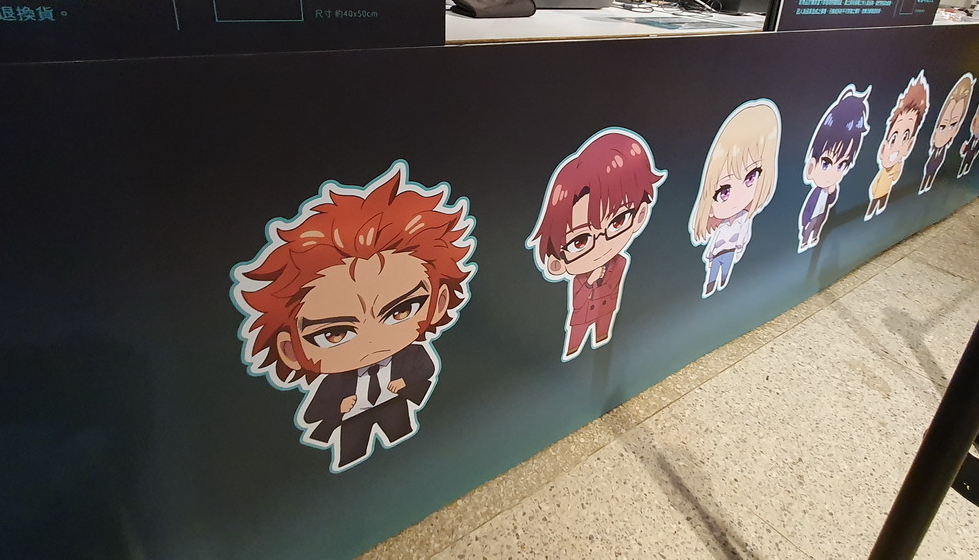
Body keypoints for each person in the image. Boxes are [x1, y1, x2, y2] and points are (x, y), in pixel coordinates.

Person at [233, 162, 477, 473]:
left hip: (399, 413)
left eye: (401, 311)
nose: (373, 343)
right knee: (352, 451)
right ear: (290, 350)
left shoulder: (413, 357)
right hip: (351, 425)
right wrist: (340, 408)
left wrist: (404, 386)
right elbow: (313, 414)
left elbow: (425, 373)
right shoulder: (334, 384)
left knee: (403, 438)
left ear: (439, 302)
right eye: (334, 334)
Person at [527, 129, 665, 361]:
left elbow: (615, 285)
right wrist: (591, 279)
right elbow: (579, 298)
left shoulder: (620, 262)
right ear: (557, 261)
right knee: (574, 345)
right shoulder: (580, 278)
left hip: (607, 311)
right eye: (580, 241)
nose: (602, 244)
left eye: (617, 221)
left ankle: (599, 346)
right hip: (580, 319)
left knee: (602, 337)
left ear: (640, 214)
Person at [688, 100, 781, 297]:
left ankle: (720, 282)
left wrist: (738, 249)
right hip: (717, 254)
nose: (738, 197)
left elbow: (744, 235)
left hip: (730, 252)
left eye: (751, 177)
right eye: (724, 191)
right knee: (714, 272)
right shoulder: (721, 225)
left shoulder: (743, 220)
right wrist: (709, 255)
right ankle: (711, 285)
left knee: (724, 271)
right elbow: (714, 242)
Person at [800, 84, 870, 253]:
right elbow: (808, 208)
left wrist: (832, 191)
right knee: (810, 226)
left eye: (841, 165)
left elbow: (830, 201)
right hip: (812, 215)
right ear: (813, 164)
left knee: (817, 225)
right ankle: (805, 238)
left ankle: (812, 237)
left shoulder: (829, 189)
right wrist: (804, 222)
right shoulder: (816, 192)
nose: (832, 173)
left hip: (821, 215)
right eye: (826, 163)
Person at [866, 72, 930, 220]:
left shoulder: (896, 167)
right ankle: (872, 212)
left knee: (881, 202)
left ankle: (877, 214)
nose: (897, 147)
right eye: (894, 138)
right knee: (874, 204)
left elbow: (895, 175)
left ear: (910, 144)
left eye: (905, 137)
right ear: (884, 145)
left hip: (884, 191)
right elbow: (876, 182)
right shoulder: (883, 170)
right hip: (877, 191)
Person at [919, 72, 973, 194]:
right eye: (943, 126)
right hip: (928, 166)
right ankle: (924, 185)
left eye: (953, 125)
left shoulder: (943, 152)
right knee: (928, 173)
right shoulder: (928, 148)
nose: (946, 132)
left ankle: (926, 185)